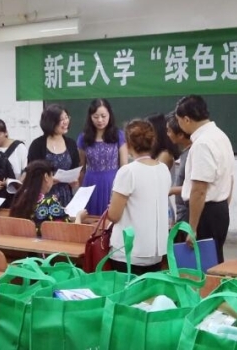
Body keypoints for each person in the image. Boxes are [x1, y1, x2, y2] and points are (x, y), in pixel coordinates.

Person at [175, 95, 234, 264]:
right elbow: (230, 178)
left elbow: (199, 190)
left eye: (178, 120)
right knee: (215, 263)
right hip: (219, 209)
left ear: (187, 120)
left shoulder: (202, 144)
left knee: (201, 267)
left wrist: (192, 228)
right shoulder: (221, 136)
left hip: (204, 213)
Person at [108, 119, 171, 275]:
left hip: (129, 252)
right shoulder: (163, 169)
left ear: (128, 144)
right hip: (156, 252)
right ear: (153, 141)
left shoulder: (128, 171)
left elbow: (114, 215)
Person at [78, 99, 128, 216]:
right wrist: (82, 190)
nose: (100, 120)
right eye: (95, 117)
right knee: (89, 219)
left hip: (112, 182)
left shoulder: (118, 135)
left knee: (110, 219)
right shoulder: (84, 138)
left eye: (103, 116)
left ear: (109, 115)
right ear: (90, 117)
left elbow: (124, 166)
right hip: (90, 183)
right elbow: (81, 167)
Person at [10, 160, 85, 235]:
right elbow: (69, 232)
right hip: (45, 241)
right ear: (46, 177)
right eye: (52, 175)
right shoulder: (49, 203)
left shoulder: (19, 197)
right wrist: (79, 217)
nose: (53, 179)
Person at [28, 104, 80, 206]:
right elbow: (32, 172)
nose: (65, 122)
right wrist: (49, 179)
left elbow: (75, 167)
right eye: (61, 119)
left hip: (66, 195)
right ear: (50, 122)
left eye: (66, 117)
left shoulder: (71, 143)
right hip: (43, 196)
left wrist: (74, 180)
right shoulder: (37, 145)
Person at [166, 112, 192, 224]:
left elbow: (195, 187)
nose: (167, 134)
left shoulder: (192, 153)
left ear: (180, 135)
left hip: (188, 213)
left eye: (169, 131)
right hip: (183, 212)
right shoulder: (185, 153)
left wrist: (171, 190)